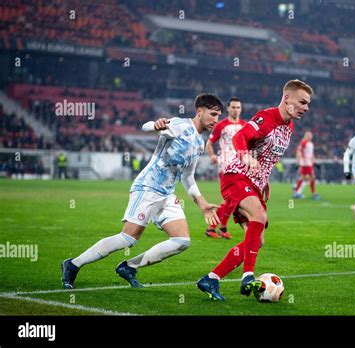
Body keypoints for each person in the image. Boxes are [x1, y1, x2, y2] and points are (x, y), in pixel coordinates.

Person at [61, 94, 222, 289]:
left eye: (218, 115)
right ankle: (73, 264)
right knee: (128, 238)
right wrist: (155, 125)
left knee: (181, 241)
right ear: (199, 111)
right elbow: (146, 126)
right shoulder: (179, 126)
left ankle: (128, 267)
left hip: (167, 194)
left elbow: (188, 176)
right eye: (213, 114)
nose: (216, 119)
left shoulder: (199, 143)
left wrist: (202, 203)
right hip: (148, 187)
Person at [196, 79, 314, 301]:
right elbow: (241, 137)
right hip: (237, 176)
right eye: (302, 102)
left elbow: (267, 157)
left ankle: (211, 279)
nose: (306, 108)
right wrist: (245, 155)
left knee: (256, 241)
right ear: (287, 98)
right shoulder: (266, 117)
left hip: (256, 184)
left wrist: (264, 180)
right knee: (259, 215)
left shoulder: (289, 127)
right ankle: (248, 277)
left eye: (307, 104)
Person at [204, 97, 247, 239]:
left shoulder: (245, 126)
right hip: (226, 165)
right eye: (233, 107)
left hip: (241, 166)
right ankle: (218, 227)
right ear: (228, 109)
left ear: (241, 109)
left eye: (238, 107)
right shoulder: (221, 125)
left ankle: (217, 228)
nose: (236, 110)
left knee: (232, 200)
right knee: (233, 198)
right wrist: (212, 156)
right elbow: (209, 143)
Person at [292, 130, 321, 200]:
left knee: (304, 177)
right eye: (309, 135)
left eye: (311, 135)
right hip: (305, 163)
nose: (311, 137)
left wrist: (314, 162)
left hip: (309, 163)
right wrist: (299, 162)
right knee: (311, 177)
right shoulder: (304, 142)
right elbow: (298, 151)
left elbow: (311, 154)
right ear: (306, 135)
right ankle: (313, 194)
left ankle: (296, 190)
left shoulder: (310, 143)